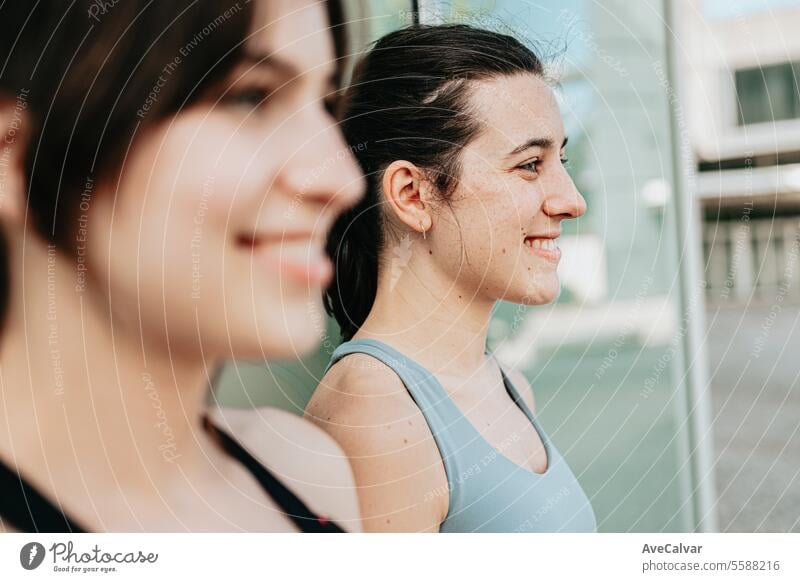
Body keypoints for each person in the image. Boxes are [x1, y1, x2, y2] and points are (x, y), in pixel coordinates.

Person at [0, 0, 364, 532]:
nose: (344, 181)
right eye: (248, 97)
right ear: (12, 149)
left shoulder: (310, 471)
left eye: (326, 106)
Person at [306, 24, 596, 532]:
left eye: (561, 160)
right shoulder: (375, 416)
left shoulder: (510, 389)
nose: (572, 200)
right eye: (530, 164)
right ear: (413, 195)